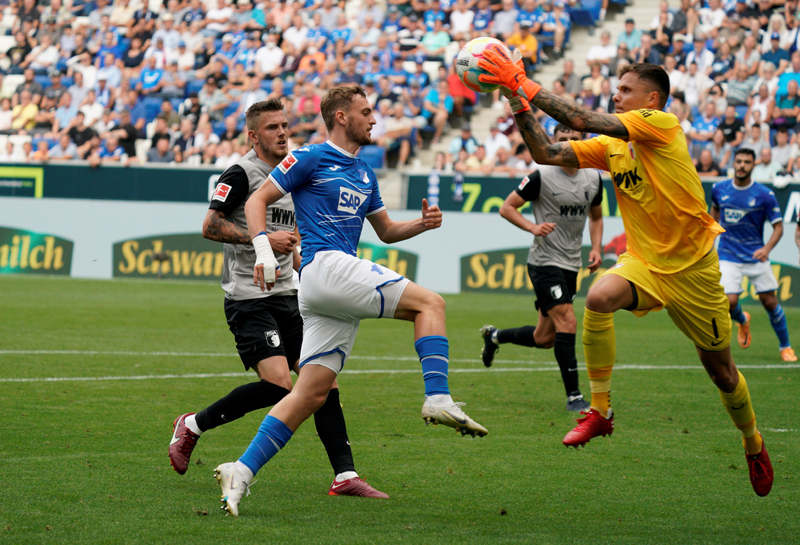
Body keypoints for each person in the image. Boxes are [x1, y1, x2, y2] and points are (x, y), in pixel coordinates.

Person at [476, 49, 773, 496]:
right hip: (644, 262)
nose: (616, 96)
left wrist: (523, 82)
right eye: (615, 89)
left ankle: (753, 444)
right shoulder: (613, 147)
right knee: (597, 298)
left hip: (693, 270)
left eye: (625, 90)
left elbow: (584, 117)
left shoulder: (661, 125)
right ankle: (600, 412)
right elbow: (544, 151)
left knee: (722, 372)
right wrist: (517, 102)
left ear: (651, 99)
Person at [214, 86, 487, 516]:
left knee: (309, 394)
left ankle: (241, 471)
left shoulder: (364, 173)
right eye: (366, 111)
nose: (374, 119)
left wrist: (422, 224)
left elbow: (385, 231)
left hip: (326, 292)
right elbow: (256, 200)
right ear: (341, 117)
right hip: (326, 267)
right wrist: (264, 251)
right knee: (430, 304)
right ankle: (437, 397)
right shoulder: (308, 157)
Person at [168, 99, 386, 499]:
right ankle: (192, 424)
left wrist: (304, 261)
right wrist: (262, 240)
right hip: (248, 297)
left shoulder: (295, 173)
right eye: (272, 128)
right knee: (280, 384)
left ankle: (345, 475)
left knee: (324, 383)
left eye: (285, 125)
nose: (283, 133)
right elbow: (210, 225)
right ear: (253, 135)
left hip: (290, 294)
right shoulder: (241, 174)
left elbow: (296, 234)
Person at [480, 123, 604, 412]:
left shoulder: (593, 179)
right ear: (553, 142)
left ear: (583, 141)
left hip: (572, 264)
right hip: (544, 262)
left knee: (544, 338)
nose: (569, 144)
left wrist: (596, 247)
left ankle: (494, 336)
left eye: (575, 139)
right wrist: (533, 227)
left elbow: (596, 217)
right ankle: (574, 397)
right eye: (563, 139)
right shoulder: (541, 176)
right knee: (569, 322)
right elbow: (507, 207)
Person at [711, 148, 797, 362]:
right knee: (729, 302)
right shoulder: (719, 189)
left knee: (769, 302)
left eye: (746, 162)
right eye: (738, 161)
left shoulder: (764, 194)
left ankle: (785, 347)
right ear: (734, 163)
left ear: (753, 165)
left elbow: (779, 228)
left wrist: (766, 249)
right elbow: (713, 216)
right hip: (728, 254)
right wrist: (710, 244)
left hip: (755, 254)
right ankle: (742, 319)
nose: (741, 165)